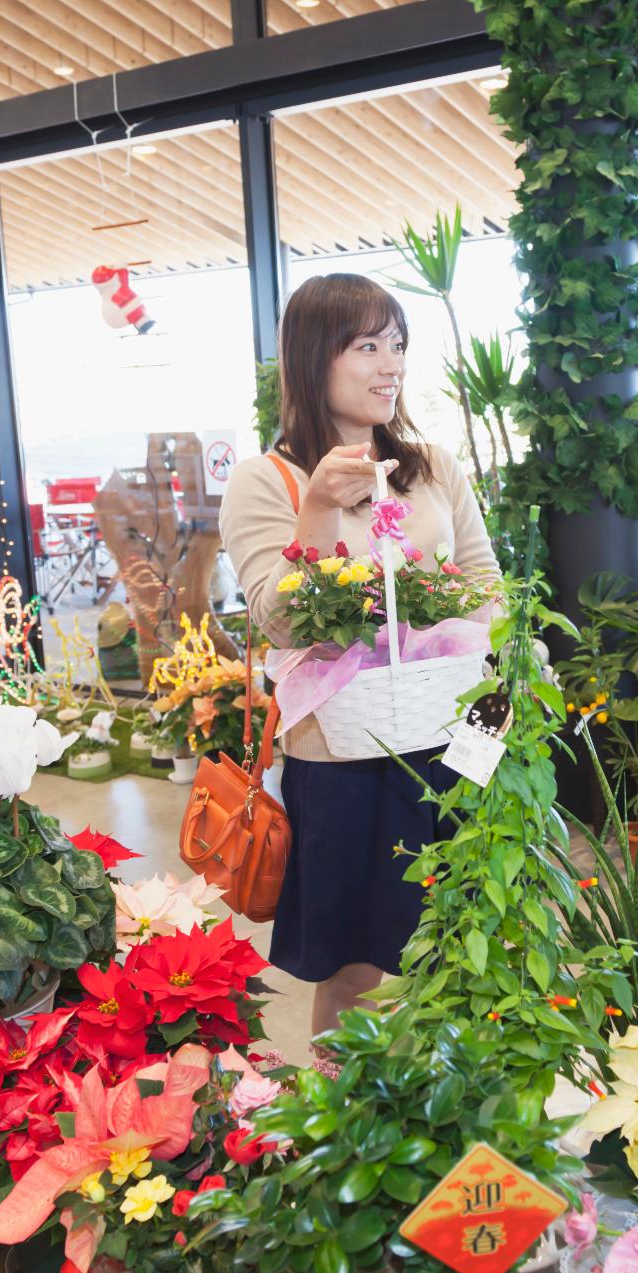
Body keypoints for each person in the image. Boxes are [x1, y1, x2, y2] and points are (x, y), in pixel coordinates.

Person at [222, 273, 500, 1058]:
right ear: (315, 359)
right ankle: (342, 1134)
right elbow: (274, 616)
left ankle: (448, 1112)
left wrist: (492, 706)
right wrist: (316, 504)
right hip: (344, 756)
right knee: (355, 968)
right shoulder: (265, 481)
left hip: (450, 737)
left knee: (462, 948)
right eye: (368, 345)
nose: (391, 365)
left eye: (399, 344)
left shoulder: (432, 467)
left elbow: (486, 587)